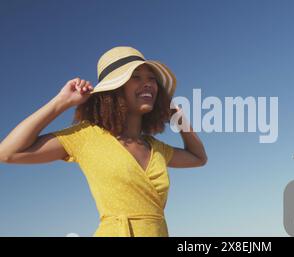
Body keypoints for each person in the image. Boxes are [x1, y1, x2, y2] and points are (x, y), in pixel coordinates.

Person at [0, 46, 207, 237]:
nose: (148, 83)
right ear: (116, 89)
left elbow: (199, 158)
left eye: (151, 78)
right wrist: (61, 103)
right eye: (135, 77)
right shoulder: (85, 137)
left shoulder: (155, 147)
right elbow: (7, 153)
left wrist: (178, 118)